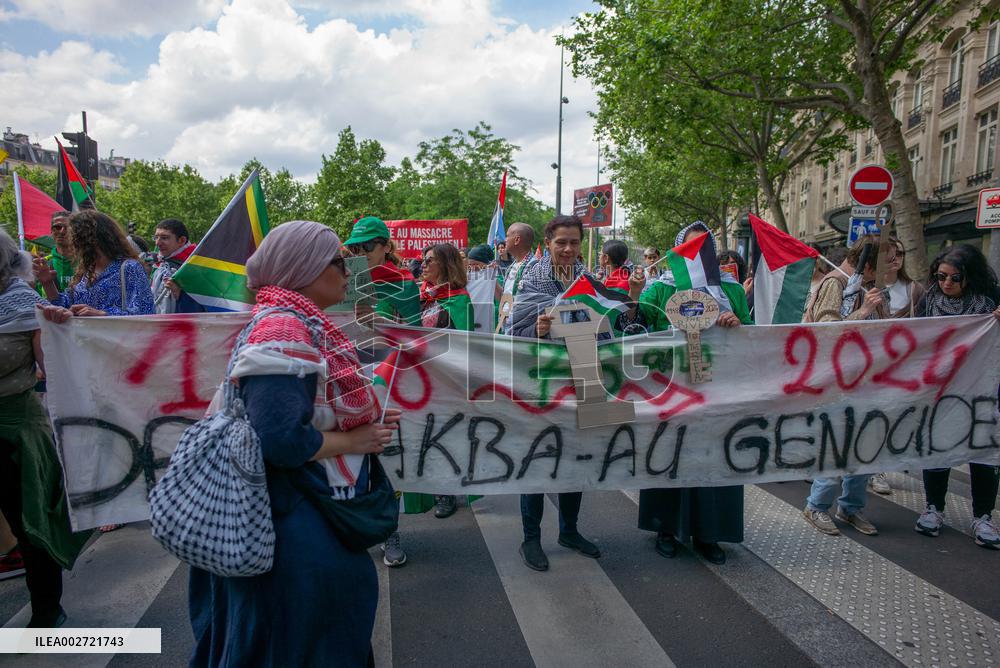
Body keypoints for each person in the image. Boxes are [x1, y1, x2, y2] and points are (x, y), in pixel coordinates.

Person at [187, 220, 401, 666]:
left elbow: (298, 409)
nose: (348, 270)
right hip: (292, 525)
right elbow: (280, 441)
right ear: (306, 268)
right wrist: (352, 439)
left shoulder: (294, 322)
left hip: (294, 516)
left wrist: (363, 422)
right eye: (339, 261)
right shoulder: (285, 329)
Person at [509, 215, 645, 571]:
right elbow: (512, 334)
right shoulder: (531, 281)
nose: (568, 249)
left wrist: (632, 296)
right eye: (561, 243)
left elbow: (616, 328)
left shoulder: (590, 282)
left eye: (573, 242)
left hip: (584, 380)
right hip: (542, 387)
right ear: (548, 242)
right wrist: (537, 330)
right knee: (536, 462)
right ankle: (531, 539)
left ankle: (569, 530)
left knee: (575, 459)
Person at [636, 222, 747, 565]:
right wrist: (636, 296)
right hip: (672, 390)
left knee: (714, 457)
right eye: (690, 248)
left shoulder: (732, 291)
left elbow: (753, 336)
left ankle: (710, 533)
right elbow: (640, 332)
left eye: (705, 247)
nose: (698, 254)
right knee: (669, 452)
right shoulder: (658, 289)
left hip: (718, 390)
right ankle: (665, 529)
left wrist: (734, 324)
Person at [0, 229, 90, 627]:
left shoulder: (23, 304)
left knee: (30, 523)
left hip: (15, 430)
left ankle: (46, 610)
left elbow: (57, 368)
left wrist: (60, 328)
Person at [913, 244, 1000, 549]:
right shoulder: (929, 300)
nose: (946, 283)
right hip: (942, 391)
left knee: (983, 451)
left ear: (970, 278)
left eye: (954, 278)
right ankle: (934, 508)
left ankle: (983, 516)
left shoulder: (991, 304)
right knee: (939, 447)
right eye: (941, 276)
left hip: (982, 393)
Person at [801, 236, 884, 538]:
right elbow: (828, 331)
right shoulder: (835, 284)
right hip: (837, 378)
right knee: (837, 442)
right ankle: (817, 505)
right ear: (870, 263)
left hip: (864, 376)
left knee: (866, 443)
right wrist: (864, 312)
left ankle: (850, 506)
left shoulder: (862, 286)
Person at [418, 242, 474, 519]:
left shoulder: (459, 299)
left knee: (445, 436)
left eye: (430, 260)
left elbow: (463, 343)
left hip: (447, 378)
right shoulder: (421, 295)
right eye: (423, 260)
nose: (424, 265)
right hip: (421, 377)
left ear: (446, 264)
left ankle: (447, 493)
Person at [35, 210, 155, 318]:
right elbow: (67, 306)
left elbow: (146, 312)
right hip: (85, 341)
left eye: (73, 236)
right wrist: (47, 283)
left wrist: (103, 314)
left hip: (117, 342)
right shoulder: (85, 271)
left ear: (87, 239)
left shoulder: (129, 267)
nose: (71, 242)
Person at [343, 216, 421, 326]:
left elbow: (416, 335)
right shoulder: (345, 283)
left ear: (387, 247)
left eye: (368, 245)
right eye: (354, 247)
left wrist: (379, 321)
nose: (361, 252)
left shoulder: (405, 284)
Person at [151, 219, 204, 314]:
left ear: (182, 240)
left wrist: (179, 294)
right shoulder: (161, 265)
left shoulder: (196, 267)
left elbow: (208, 308)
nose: (158, 243)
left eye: (164, 238)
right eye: (156, 237)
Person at [497, 223, 536, 333]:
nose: (505, 240)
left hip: (520, 329)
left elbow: (530, 303)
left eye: (508, 236)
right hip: (506, 325)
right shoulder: (512, 266)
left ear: (517, 240)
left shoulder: (534, 266)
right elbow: (504, 297)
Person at [39, 211, 75, 294]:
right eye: (57, 227)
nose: (62, 231)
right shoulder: (43, 264)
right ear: (51, 231)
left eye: (68, 227)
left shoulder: (86, 261)